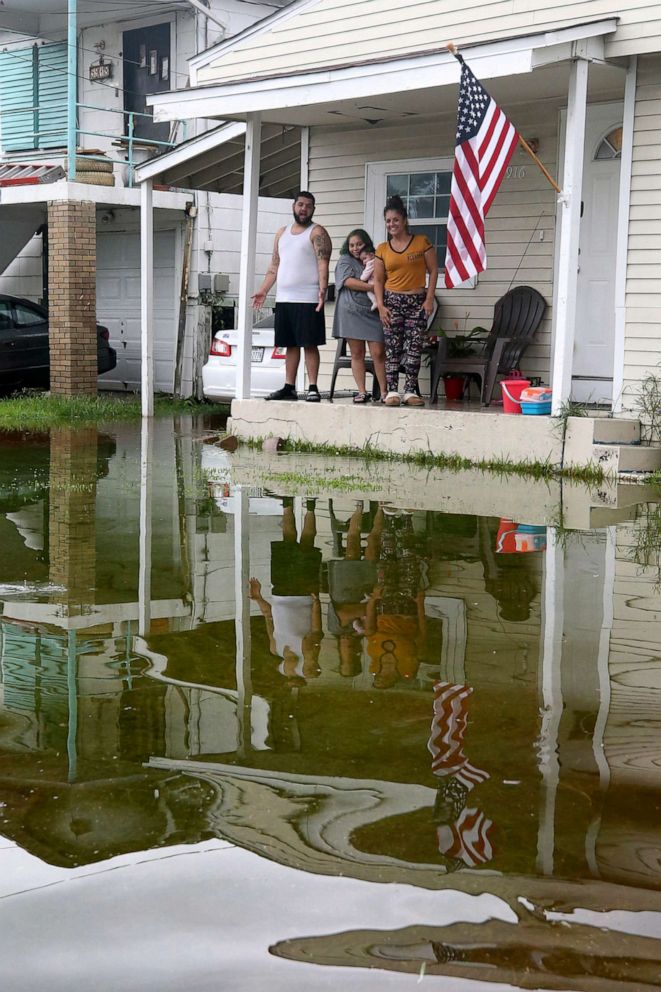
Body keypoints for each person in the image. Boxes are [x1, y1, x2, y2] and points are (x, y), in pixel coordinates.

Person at [251, 191, 331, 403]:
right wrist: (263, 290)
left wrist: (322, 290)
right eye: (300, 205)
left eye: (308, 206)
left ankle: (313, 387)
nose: (303, 209)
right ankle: (289, 386)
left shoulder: (317, 233)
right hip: (284, 299)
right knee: (290, 344)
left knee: (309, 343)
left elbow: (323, 263)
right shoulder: (282, 233)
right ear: (293, 207)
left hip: (308, 298)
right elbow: (274, 266)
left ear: (313, 209)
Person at [373, 194, 439, 407]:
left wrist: (429, 299)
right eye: (388, 221)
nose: (391, 224)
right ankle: (392, 391)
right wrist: (381, 306)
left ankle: (410, 390)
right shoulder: (382, 249)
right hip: (392, 302)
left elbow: (434, 270)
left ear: (404, 220)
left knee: (414, 347)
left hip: (416, 302)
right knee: (393, 347)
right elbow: (378, 280)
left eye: (395, 220)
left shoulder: (421, 242)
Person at [248, 498, 322, 681]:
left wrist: (258, 598)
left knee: (287, 541)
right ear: (297, 670)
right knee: (307, 543)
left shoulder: (275, 648)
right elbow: (316, 630)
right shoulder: (307, 650)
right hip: (303, 594)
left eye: (287, 675)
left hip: (280, 592)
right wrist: (316, 603)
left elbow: (269, 618)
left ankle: (287, 505)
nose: (287, 670)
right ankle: (310, 508)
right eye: (292, 675)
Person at [332, 229, 387, 403]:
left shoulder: (373, 257)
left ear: (366, 244)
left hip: (372, 312)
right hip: (351, 312)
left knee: (378, 352)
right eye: (351, 245)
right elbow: (347, 281)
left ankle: (384, 392)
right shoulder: (344, 261)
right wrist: (373, 287)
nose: (355, 248)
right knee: (357, 353)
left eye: (359, 244)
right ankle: (362, 392)